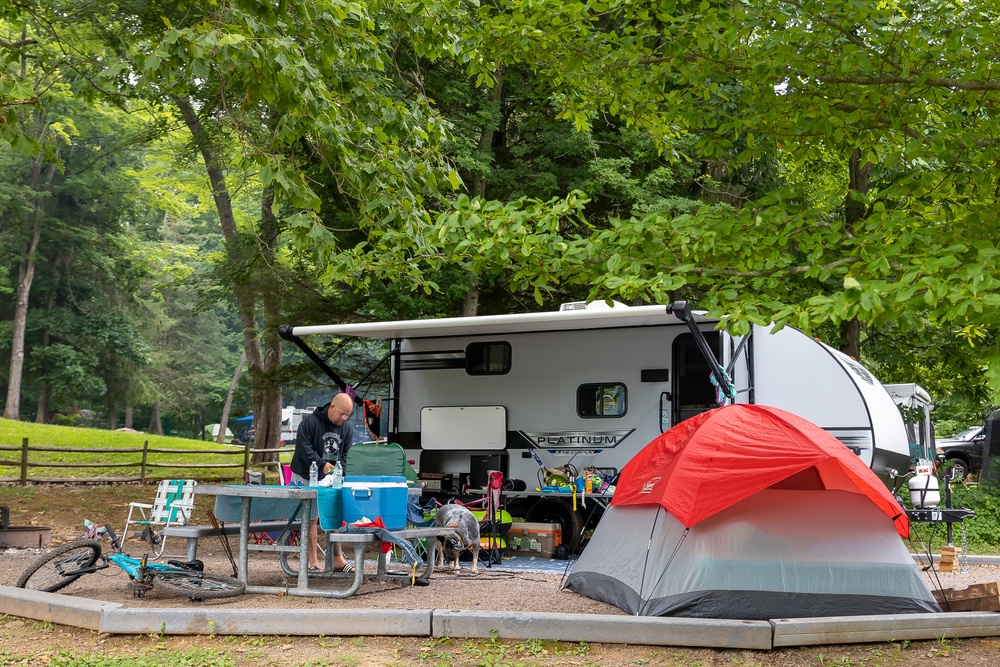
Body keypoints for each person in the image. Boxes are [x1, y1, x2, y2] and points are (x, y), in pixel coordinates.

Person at [290, 392, 355, 571]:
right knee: (310, 518)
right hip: (305, 473)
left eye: (347, 415)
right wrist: (321, 464)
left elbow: (347, 454)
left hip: (330, 478)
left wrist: (340, 469)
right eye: (341, 414)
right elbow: (303, 449)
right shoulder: (310, 423)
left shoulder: (346, 428)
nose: (343, 418)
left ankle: (337, 558)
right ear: (332, 406)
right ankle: (313, 560)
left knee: (333, 514)